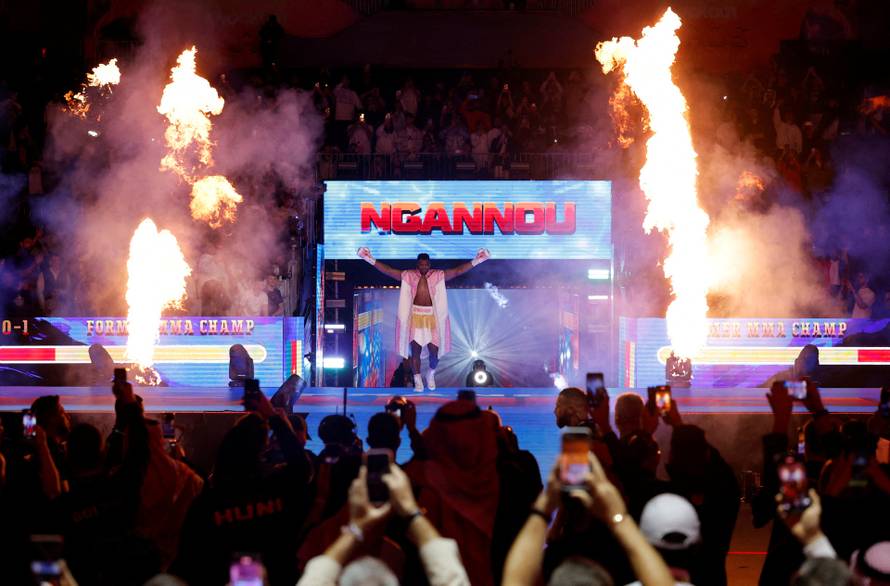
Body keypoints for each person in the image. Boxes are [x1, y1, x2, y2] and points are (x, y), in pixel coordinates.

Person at [502, 454, 675, 586]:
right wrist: (620, 519)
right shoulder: (618, 556)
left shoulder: (554, 555)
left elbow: (515, 579)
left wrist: (544, 507)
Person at [297, 464, 470, 586]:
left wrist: (356, 527)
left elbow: (315, 576)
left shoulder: (320, 536)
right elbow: (450, 577)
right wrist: (412, 513)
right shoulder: (395, 553)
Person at [357, 248, 491, 392]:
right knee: (415, 352)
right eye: (421, 265)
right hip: (415, 317)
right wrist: (369, 258)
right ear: (417, 264)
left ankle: (431, 373)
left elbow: (458, 271)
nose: (423, 267)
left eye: (426, 265)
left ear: (429, 264)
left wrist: (478, 260)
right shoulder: (408, 275)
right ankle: (417, 378)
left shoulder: (438, 275)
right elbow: (389, 271)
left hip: (432, 317)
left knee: (435, 353)